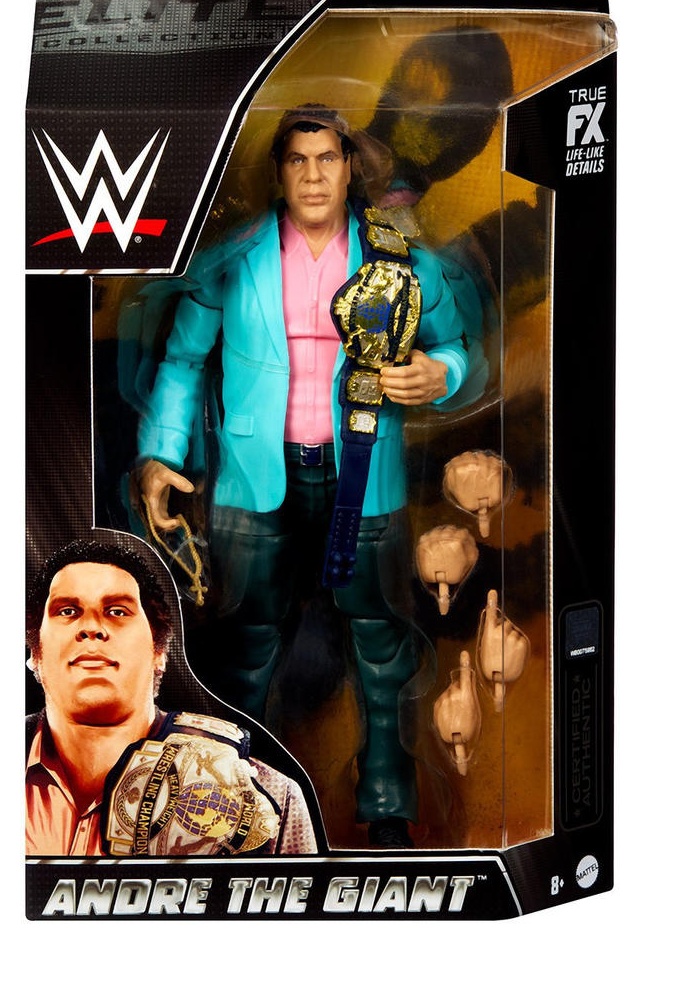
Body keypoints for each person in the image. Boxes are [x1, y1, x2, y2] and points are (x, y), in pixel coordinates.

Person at [137, 104, 469, 847]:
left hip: (365, 474)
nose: (313, 176)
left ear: (350, 169)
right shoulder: (234, 258)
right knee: (245, 645)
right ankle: (228, 806)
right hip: (255, 480)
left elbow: (456, 346)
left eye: (327, 159)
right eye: (298, 160)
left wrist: (437, 374)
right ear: (278, 171)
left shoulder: (397, 258)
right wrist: (160, 455)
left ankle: (387, 806)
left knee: (380, 646)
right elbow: (183, 359)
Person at [25, 533, 317, 856]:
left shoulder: (270, 799)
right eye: (67, 611)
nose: (91, 627)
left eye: (117, 611)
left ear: (159, 651)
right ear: (35, 652)